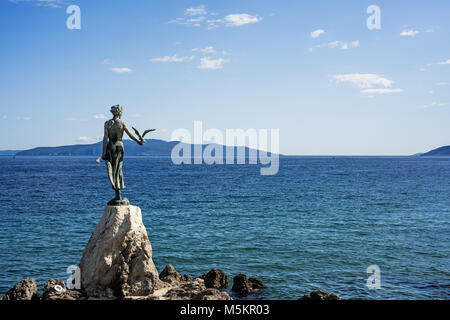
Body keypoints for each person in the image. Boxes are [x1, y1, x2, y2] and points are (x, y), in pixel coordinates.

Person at [101, 105, 144, 204]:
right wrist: (138, 141)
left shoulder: (107, 123)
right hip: (120, 146)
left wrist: (103, 152)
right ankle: (118, 192)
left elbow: (105, 138)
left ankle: (117, 193)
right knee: (118, 169)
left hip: (111, 146)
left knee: (113, 169)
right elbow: (130, 135)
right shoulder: (122, 123)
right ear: (120, 112)